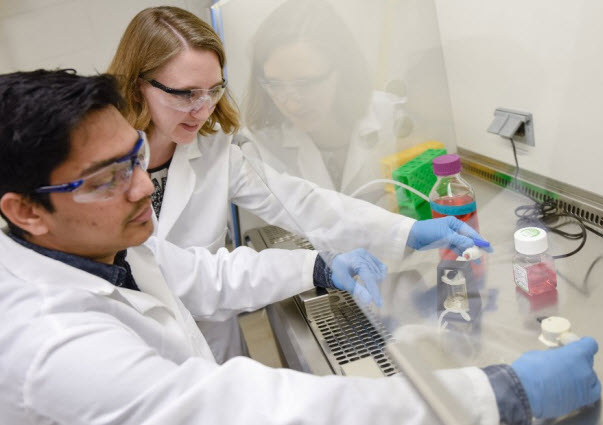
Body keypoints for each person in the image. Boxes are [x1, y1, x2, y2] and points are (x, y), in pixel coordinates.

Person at [0, 69, 602, 425]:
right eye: (106, 178)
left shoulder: (105, 242)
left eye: (135, 158)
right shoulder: (49, 339)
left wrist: (322, 263)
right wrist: (498, 394)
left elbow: (208, 275)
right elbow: (252, 412)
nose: (140, 188)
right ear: (25, 211)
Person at [106, 5, 484, 363]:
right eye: (186, 93)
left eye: (213, 91)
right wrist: (314, 266)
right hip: (138, 348)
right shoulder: (101, 167)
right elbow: (176, 273)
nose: (202, 109)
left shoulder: (214, 151)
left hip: (214, 346)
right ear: (138, 83)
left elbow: (301, 201)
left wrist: (406, 230)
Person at [242, 0, 405, 207]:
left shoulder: (392, 118)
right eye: (275, 84)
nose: (291, 104)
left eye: (305, 83)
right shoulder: (258, 145)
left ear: (341, 69)